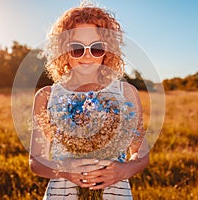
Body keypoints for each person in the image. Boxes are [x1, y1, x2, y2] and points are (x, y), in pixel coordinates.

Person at [29, 3, 149, 199]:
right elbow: (36, 162)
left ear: (107, 51)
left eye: (97, 48)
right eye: (77, 48)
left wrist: (123, 170)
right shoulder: (47, 96)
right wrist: (64, 169)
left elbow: (140, 154)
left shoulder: (126, 92)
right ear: (62, 50)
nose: (87, 56)